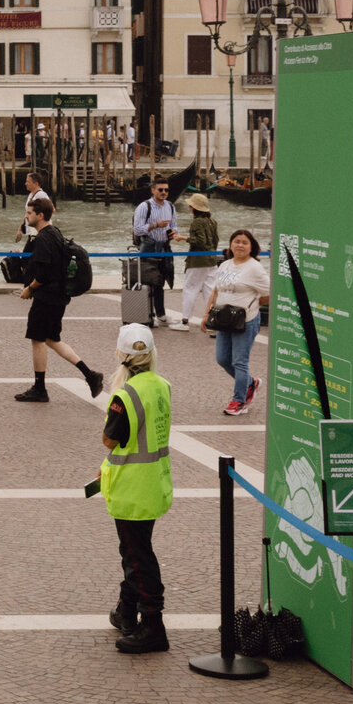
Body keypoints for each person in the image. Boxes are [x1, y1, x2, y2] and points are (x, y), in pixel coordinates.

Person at [101, 323, 173, 653]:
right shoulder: (162, 385)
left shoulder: (125, 394)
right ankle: (126, 611)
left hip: (131, 488)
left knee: (137, 556)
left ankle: (153, 626)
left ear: (121, 355)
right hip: (155, 482)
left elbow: (110, 439)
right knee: (136, 550)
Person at [16, 197, 104, 401]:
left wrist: (29, 288)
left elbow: (44, 273)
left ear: (40, 215)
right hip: (58, 297)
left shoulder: (44, 238)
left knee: (37, 339)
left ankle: (40, 389)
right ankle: (90, 375)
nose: (26, 216)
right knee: (52, 339)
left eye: (29, 213)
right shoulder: (55, 234)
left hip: (47, 298)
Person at [204, 226, 268, 416]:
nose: (240, 245)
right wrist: (207, 314)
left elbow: (271, 292)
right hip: (224, 320)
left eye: (244, 242)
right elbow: (216, 290)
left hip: (245, 321)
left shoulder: (255, 268)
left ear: (251, 247)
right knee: (223, 359)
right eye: (236, 241)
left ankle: (239, 401)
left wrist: (254, 304)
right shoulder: (225, 265)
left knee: (240, 361)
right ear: (231, 244)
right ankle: (251, 383)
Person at [132, 179, 178, 331]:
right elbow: (137, 229)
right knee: (147, 281)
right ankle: (147, 314)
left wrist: (173, 233)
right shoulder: (144, 207)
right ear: (153, 190)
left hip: (164, 247)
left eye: (166, 190)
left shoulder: (171, 206)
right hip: (148, 247)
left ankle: (161, 314)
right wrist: (155, 225)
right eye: (160, 190)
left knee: (161, 281)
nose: (164, 192)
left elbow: (174, 226)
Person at [180, 193, 221, 329]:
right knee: (209, 290)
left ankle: (185, 321)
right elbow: (215, 240)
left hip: (197, 261)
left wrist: (183, 238)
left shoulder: (197, 222)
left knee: (190, 289)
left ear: (193, 208)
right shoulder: (212, 221)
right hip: (211, 260)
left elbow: (200, 242)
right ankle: (211, 320)